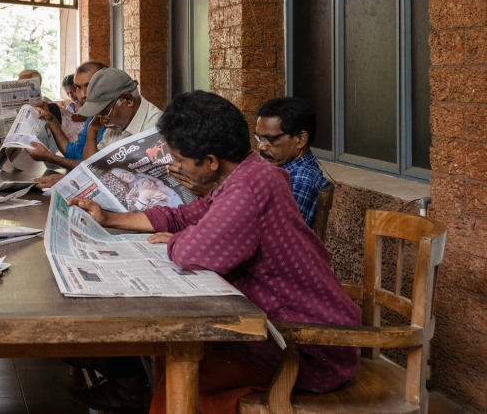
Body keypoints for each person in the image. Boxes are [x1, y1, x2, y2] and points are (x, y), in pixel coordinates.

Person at [69, 91, 361, 414]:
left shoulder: (247, 190)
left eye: (179, 160)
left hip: (306, 349)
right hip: (283, 333)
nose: (174, 167)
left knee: (186, 368)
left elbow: (188, 250)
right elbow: (184, 217)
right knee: (172, 354)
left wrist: (179, 239)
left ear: (210, 161)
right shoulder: (245, 174)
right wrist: (109, 218)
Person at [34, 67, 162, 189]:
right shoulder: (113, 122)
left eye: (104, 112)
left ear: (128, 100)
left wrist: (71, 180)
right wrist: (92, 130)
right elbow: (92, 168)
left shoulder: (156, 127)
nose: (101, 119)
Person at [255, 97, 329, 228]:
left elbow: (280, 237)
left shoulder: (300, 180)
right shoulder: (281, 170)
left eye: (269, 139)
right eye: (259, 138)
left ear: (300, 139)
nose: (261, 146)